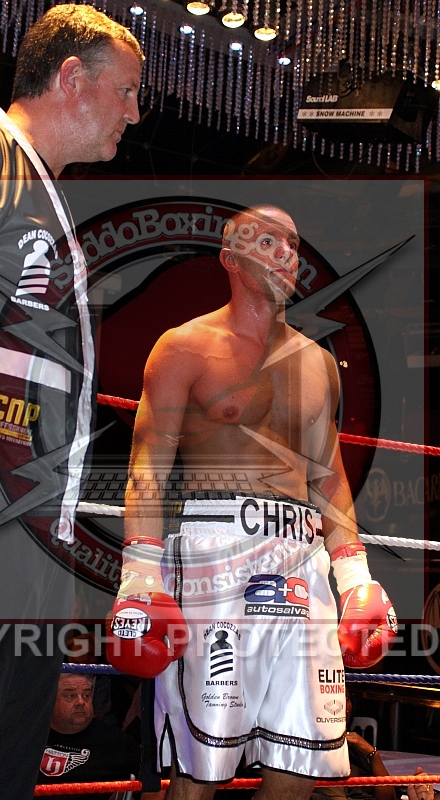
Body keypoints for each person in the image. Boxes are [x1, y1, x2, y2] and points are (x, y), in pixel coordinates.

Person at [0, 5, 142, 799]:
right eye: (125, 91)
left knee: (2, 769)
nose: (134, 113)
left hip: (30, 537)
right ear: (71, 78)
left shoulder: (48, 200)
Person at [105, 205, 397, 800]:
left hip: (302, 558)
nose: (286, 252)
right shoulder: (185, 346)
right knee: (200, 768)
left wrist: (355, 577)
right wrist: (139, 579)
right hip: (216, 554)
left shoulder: (318, 363)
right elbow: (147, 466)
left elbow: (329, 478)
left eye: (292, 243)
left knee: (303, 764)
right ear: (230, 258)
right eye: (267, 241)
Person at [37, 673, 141, 800]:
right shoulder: (29, 737)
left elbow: (153, 787)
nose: (81, 702)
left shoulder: (116, 743)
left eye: (86, 695)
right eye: (70, 696)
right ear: (50, 699)